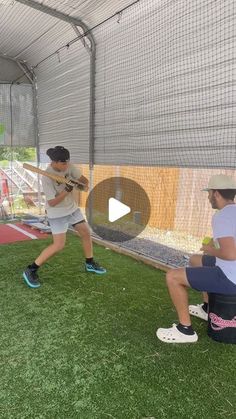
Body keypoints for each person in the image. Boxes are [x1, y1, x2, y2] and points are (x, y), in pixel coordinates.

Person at [156, 174, 236, 343]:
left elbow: (230, 254)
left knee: (172, 276)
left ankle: (185, 330)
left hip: (230, 278)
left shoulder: (221, 216)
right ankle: (207, 308)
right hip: (231, 269)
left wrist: (209, 249)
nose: (208, 197)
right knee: (195, 260)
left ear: (216, 193)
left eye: (209, 193)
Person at [23, 146, 106, 289]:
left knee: (86, 232)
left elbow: (83, 180)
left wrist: (80, 185)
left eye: (67, 162)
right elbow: (52, 202)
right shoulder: (46, 177)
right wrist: (67, 190)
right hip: (57, 213)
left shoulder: (69, 166)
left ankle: (90, 263)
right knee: (59, 245)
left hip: (72, 209)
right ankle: (31, 269)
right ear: (54, 162)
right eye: (63, 163)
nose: (66, 166)